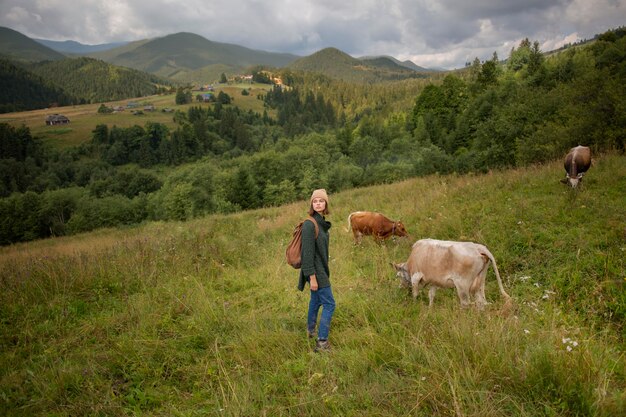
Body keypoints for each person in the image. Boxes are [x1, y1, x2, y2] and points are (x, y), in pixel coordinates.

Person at [297, 189, 335, 352]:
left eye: (321, 200)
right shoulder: (309, 224)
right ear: (311, 204)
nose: (318, 203)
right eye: (315, 201)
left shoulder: (321, 222)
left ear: (326, 203)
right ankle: (322, 343)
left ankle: (311, 331)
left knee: (316, 300)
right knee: (329, 304)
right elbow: (307, 255)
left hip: (320, 270)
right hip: (315, 272)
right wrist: (312, 277)